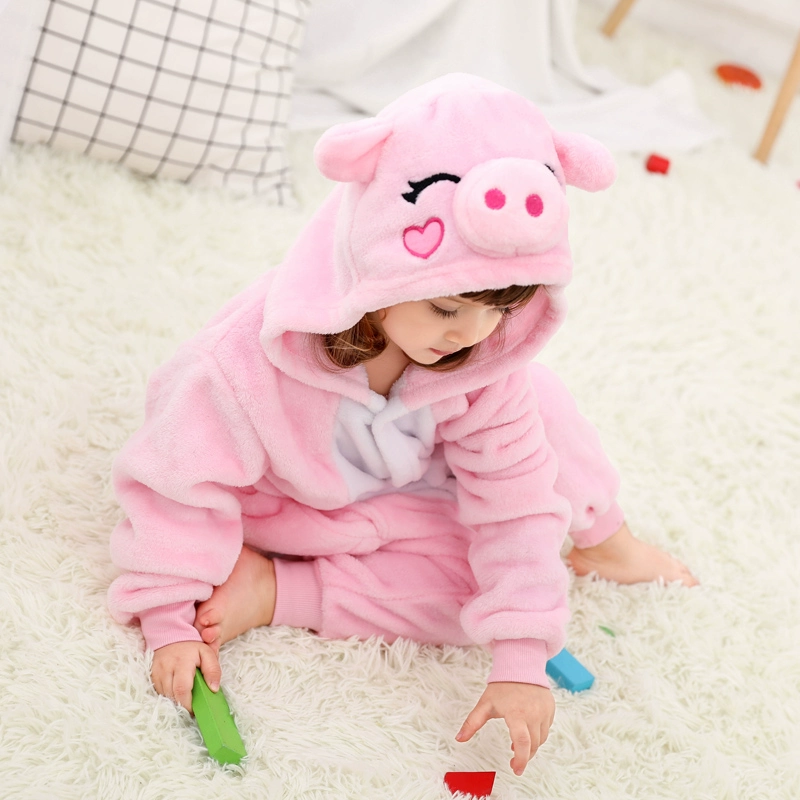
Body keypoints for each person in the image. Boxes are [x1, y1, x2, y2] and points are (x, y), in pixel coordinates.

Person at [107, 74, 696, 777]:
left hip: (410, 486)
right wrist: (168, 617)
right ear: (378, 263)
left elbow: (515, 502)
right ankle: (275, 586)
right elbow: (177, 479)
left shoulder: (483, 356)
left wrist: (520, 655)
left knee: (523, 485)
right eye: (448, 309)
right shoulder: (242, 361)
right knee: (475, 587)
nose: (472, 335)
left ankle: (606, 539)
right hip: (299, 508)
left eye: (502, 310)